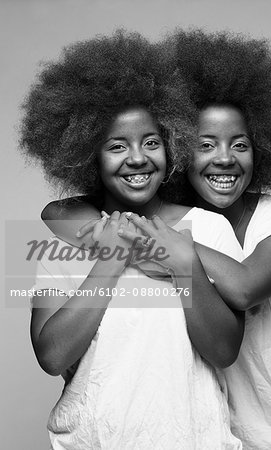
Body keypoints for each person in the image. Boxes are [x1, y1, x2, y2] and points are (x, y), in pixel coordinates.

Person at [44, 30, 271, 449]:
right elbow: (50, 352)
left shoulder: (249, 221)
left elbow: (240, 297)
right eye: (205, 144)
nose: (223, 157)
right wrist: (119, 251)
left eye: (151, 142)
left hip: (265, 429)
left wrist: (179, 258)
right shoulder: (83, 230)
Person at [20, 31, 244, 449]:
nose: (138, 158)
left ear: (173, 145)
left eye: (152, 142)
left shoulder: (209, 229)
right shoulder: (64, 241)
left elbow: (224, 351)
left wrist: (185, 267)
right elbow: (51, 356)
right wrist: (109, 261)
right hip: (93, 441)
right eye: (117, 146)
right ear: (88, 154)